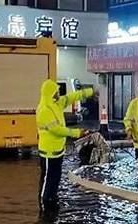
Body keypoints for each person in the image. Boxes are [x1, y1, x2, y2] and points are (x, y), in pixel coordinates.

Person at [36, 79, 97, 215]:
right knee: (47, 178)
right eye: (56, 91)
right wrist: (76, 132)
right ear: (50, 94)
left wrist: (90, 92)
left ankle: (52, 199)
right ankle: (44, 204)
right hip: (48, 153)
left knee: (55, 177)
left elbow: (71, 97)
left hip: (58, 151)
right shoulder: (44, 110)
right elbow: (57, 130)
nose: (58, 93)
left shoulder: (56, 104)